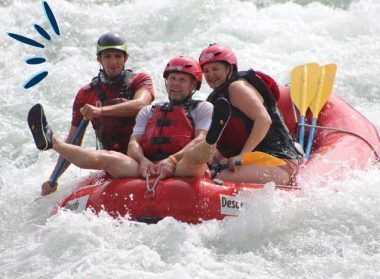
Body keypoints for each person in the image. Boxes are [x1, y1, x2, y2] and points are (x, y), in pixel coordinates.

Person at [28, 56, 230, 184]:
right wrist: (142, 161)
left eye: (182, 80)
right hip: (149, 166)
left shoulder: (204, 108)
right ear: (166, 82)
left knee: (197, 152)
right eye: (172, 79)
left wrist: (172, 160)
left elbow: (197, 138)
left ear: (194, 85)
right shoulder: (150, 111)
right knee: (106, 157)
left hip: (180, 166)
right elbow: (134, 143)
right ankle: (52, 141)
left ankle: (214, 138)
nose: (175, 85)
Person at [40, 32, 155, 196]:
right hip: (112, 162)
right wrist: (54, 178)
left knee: (108, 157)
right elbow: (74, 141)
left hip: (144, 158)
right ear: (99, 59)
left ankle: (53, 141)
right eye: (107, 56)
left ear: (125, 58)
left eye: (117, 56)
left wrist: (100, 110)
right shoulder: (86, 94)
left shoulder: (140, 80)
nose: (113, 62)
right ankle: (51, 141)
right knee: (104, 157)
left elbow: (141, 104)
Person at [199, 44, 302, 185]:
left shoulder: (237, 87)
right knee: (202, 170)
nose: (210, 75)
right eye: (206, 71)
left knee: (210, 178)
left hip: (278, 163)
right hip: (253, 162)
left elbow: (264, 120)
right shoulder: (215, 99)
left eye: (216, 69)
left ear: (229, 68)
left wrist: (242, 156)